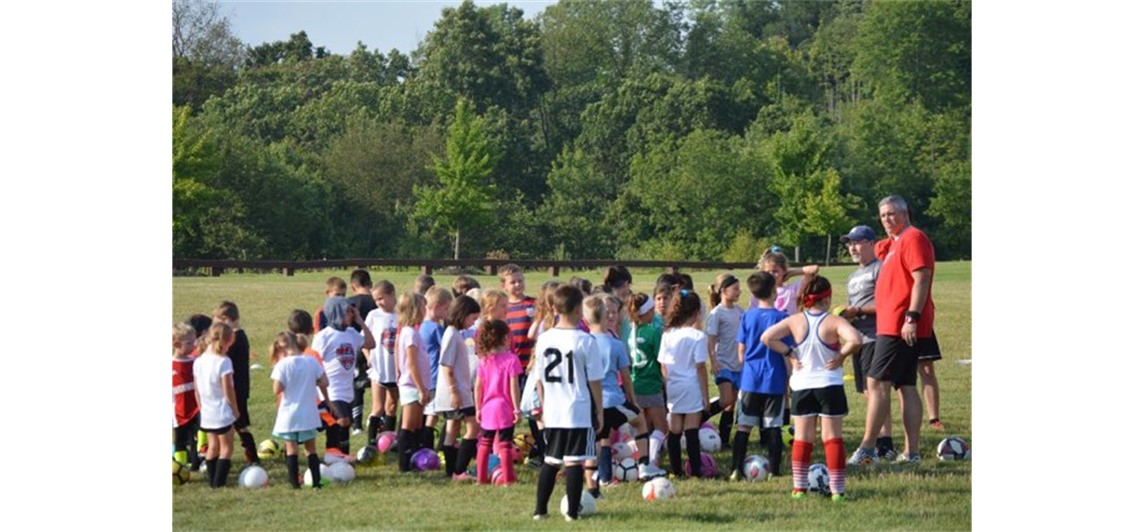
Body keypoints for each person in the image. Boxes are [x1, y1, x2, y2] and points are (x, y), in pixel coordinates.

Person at [850, 195, 938, 465]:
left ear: (905, 213)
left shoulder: (913, 238)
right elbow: (877, 250)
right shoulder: (893, 244)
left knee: (876, 383)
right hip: (892, 325)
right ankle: (911, 452)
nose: (887, 219)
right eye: (883, 215)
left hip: (900, 325)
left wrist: (911, 317)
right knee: (906, 385)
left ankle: (867, 448)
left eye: (892, 214)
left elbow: (921, 277)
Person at [762, 276, 862, 501]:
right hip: (829, 385)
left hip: (802, 385)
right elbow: (855, 339)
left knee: (803, 438)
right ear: (827, 298)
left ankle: (799, 488)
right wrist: (841, 354)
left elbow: (767, 337)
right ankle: (838, 491)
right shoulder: (834, 321)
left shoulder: (795, 320)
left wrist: (789, 353)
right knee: (832, 438)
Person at [532, 285, 604, 521]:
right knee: (574, 462)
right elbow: (594, 381)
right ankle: (572, 513)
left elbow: (539, 379)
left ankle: (540, 511)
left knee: (551, 461)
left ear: (554, 308)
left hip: (553, 411)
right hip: (578, 409)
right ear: (577, 308)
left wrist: (544, 406)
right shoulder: (586, 340)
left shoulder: (544, 339)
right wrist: (599, 411)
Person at [839, 225, 895, 460]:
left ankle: (885, 443)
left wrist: (858, 310)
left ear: (872, 243)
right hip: (859, 339)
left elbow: (888, 304)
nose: (852, 247)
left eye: (857, 242)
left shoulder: (880, 269)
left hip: (876, 336)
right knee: (865, 392)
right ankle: (882, 440)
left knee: (877, 390)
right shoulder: (853, 276)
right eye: (849, 243)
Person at [730, 272, 789, 479]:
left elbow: (741, 351)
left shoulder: (747, 315)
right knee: (773, 426)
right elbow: (786, 353)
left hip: (750, 378)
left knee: (744, 426)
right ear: (774, 291)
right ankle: (774, 470)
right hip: (774, 378)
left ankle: (736, 469)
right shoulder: (783, 318)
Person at [312, 297, 374, 457]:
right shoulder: (324, 336)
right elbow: (314, 361)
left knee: (343, 425)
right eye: (347, 312)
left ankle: (341, 456)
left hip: (347, 389)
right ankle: (332, 454)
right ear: (336, 313)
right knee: (343, 420)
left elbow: (371, 343)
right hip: (331, 389)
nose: (351, 315)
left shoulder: (352, 333)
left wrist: (361, 321)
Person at [657, 290, 709, 478]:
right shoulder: (697, 336)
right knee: (692, 429)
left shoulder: (668, 334)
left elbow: (663, 364)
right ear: (696, 313)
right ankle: (696, 471)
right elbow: (700, 366)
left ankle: (676, 470)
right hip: (691, 385)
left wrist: (669, 382)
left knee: (675, 429)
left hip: (673, 385)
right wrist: (705, 394)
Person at [269, 332, 329, 489]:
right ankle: (316, 482)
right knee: (311, 448)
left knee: (291, 448)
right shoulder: (311, 361)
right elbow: (324, 381)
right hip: (309, 412)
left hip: (289, 413)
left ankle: (294, 483)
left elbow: (277, 389)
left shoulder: (282, 365)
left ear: (281, 348)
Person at [434, 295, 482, 480]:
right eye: (472, 318)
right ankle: (459, 470)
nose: (473, 322)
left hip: (458, 390)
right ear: (462, 314)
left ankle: (452, 472)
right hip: (455, 392)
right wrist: (454, 391)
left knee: (452, 430)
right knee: (473, 427)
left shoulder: (454, 333)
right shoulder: (451, 335)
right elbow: (446, 365)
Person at [474, 319, 522, 485]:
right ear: (504, 339)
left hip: (487, 407)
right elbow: (513, 386)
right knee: (505, 445)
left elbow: (478, 386)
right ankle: (508, 479)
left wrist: (478, 408)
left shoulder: (483, 360)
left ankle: (481, 478)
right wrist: (517, 409)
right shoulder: (511, 360)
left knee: (485, 443)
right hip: (504, 408)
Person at [193, 322, 241, 488]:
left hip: (206, 411)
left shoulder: (199, 361)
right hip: (221, 411)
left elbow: (197, 390)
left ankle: (211, 479)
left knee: (212, 446)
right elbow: (228, 389)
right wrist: (234, 409)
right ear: (226, 341)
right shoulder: (223, 362)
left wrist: (201, 407)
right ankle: (219, 482)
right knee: (227, 447)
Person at [212, 301, 259, 465]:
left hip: (235, 389)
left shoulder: (236, 338)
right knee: (236, 424)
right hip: (237, 388)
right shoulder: (239, 336)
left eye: (218, 322)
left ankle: (252, 457)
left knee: (239, 424)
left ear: (226, 319)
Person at [704, 273, 743, 448]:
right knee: (726, 399)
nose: (739, 292)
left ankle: (725, 439)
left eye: (739, 288)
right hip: (723, 363)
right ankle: (700, 416)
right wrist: (713, 361)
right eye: (735, 288)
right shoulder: (716, 313)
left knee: (731, 404)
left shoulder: (740, 311)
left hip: (738, 365)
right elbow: (710, 340)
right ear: (723, 290)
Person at [394, 291, 429, 472]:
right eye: (424, 307)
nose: (426, 310)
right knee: (408, 424)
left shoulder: (410, 332)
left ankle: (415, 457)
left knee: (416, 424)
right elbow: (412, 362)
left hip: (414, 384)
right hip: (411, 384)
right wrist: (421, 388)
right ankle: (404, 463)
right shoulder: (410, 334)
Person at [749, 248, 819, 313]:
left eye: (775, 271)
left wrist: (791, 273)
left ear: (784, 270)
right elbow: (753, 313)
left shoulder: (791, 290)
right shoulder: (760, 292)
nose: (771, 275)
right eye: (767, 272)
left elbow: (814, 269)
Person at [172, 323, 200, 469]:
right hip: (179, 412)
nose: (193, 346)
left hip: (195, 409)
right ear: (176, 344)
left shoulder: (195, 362)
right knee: (180, 442)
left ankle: (196, 464)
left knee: (196, 438)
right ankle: (179, 466)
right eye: (189, 343)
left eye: (194, 342)